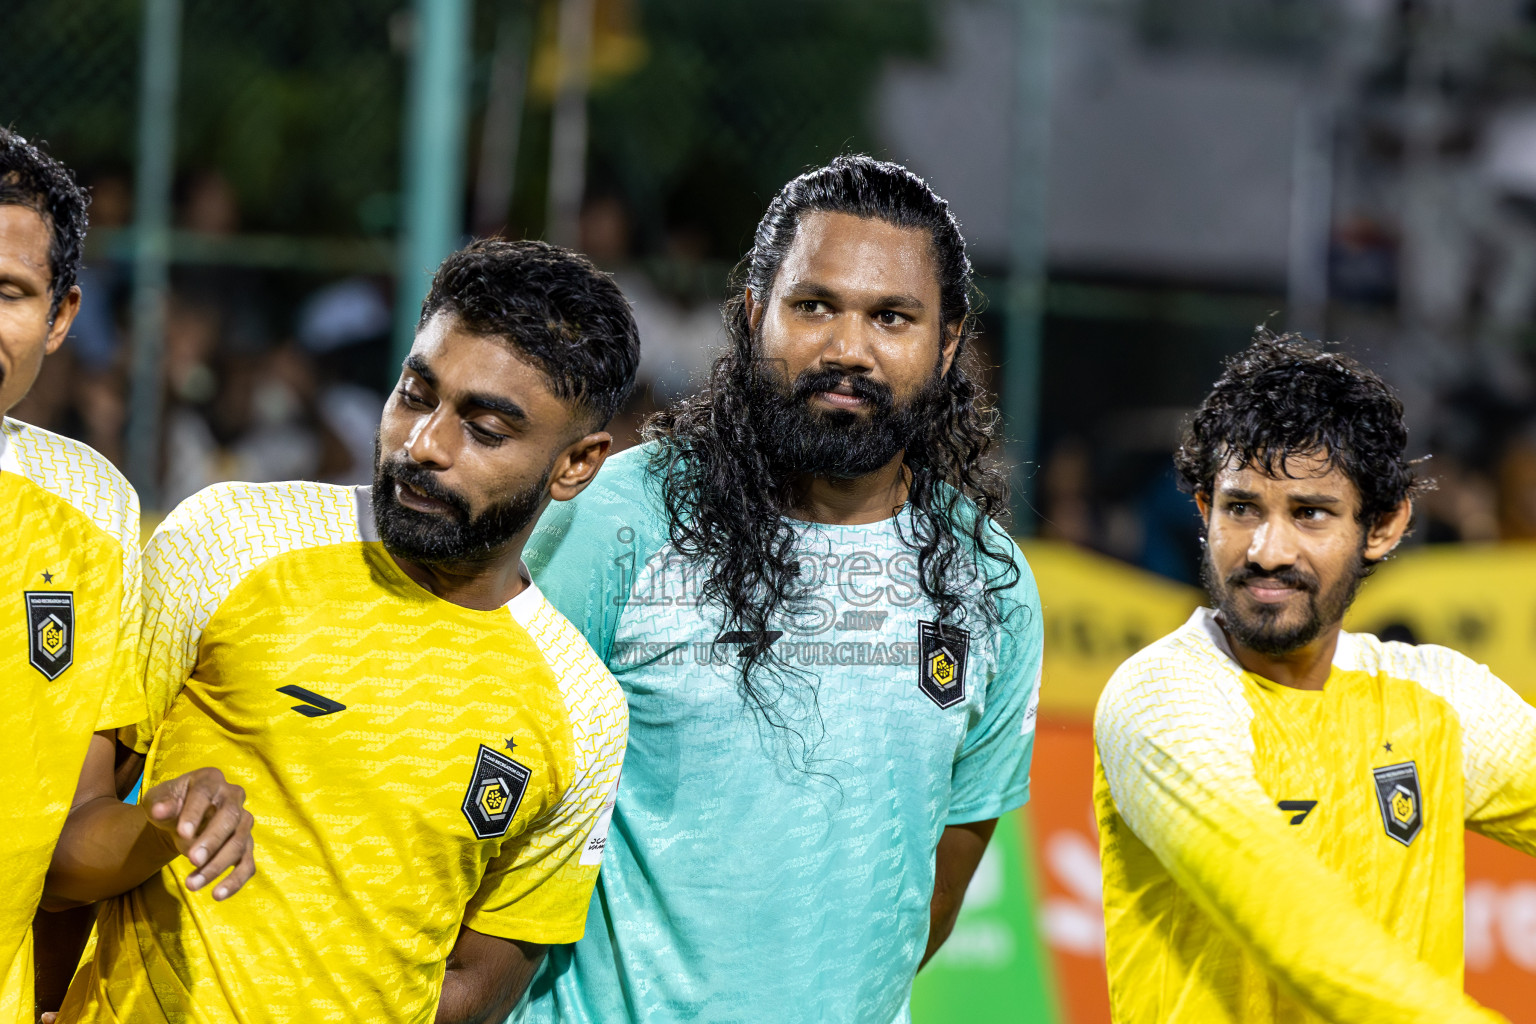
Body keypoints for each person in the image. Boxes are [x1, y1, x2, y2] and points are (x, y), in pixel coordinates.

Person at [517, 155, 1043, 1023]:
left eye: (892, 318)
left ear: (946, 346)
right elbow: (493, 778)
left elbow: (944, 860)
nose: (847, 349)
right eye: (814, 306)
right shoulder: (618, 519)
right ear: (755, 311)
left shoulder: (987, 579)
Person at [60, 239, 638, 1024]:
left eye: (485, 429)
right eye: (414, 393)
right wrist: (159, 826)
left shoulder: (584, 712)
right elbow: (58, 850)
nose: (424, 444)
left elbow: (477, 984)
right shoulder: (230, 538)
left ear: (576, 464)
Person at [1094, 330, 1536, 1023]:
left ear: (1383, 527)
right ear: (1205, 512)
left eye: (1310, 514)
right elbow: (1286, 911)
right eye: (1242, 508)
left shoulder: (1438, 699)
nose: (1268, 551)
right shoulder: (1160, 697)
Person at [0, 128, 257, 1024]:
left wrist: (167, 826)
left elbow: (69, 844)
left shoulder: (93, 510)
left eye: (7, 292)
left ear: (61, 317)